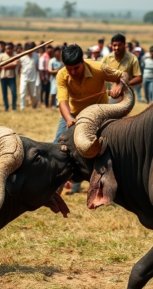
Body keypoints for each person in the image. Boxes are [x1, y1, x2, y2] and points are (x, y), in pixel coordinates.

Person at [55, 44, 124, 194]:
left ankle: (105, 191)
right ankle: (54, 192)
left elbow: (122, 76)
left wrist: (119, 85)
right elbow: (62, 101)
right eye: (69, 68)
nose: (72, 72)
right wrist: (68, 118)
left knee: (99, 151)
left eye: (76, 68)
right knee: (57, 150)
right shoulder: (61, 75)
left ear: (83, 62)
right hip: (73, 115)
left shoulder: (99, 68)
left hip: (99, 116)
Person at [101, 33, 142, 101]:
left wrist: (123, 85)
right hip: (109, 92)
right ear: (112, 46)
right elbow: (98, 71)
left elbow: (139, 77)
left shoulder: (132, 58)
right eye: (114, 45)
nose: (117, 48)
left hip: (125, 93)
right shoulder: (106, 58)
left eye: (119, 45)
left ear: (124, 44)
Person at [18, 42, 38, 110]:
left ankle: (34, 106)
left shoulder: (36, 55)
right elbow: (19, 67)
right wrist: (19, 76)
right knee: (23, 92)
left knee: (33, 93)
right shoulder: (22, 56)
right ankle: (22, 106)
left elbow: (37, 66)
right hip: (24, 77)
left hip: (33, 77)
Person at [0, 42, 18, 111]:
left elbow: (15, 65)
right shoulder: (1, 56)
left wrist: (5, 66)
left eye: (10, 48)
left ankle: (14, 107)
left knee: (14, 93)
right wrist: (9, 65)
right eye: (7, 48)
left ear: (13, 49)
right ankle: (6, 107)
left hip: (12, 77)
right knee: (4, 94)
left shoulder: (15, 56)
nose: (9, 50)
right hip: (3, 77)